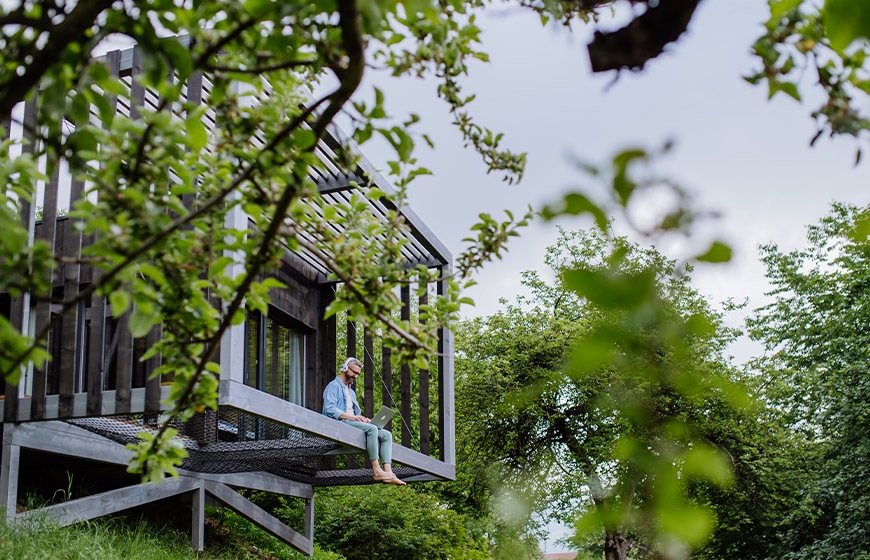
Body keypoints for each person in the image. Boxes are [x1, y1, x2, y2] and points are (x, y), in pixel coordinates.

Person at [322, 357, 406, 486]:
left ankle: (389, 473)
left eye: (357, 374)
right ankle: (377, 471)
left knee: (386, 434)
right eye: (354, 372)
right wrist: (354, 418)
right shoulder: (333, 386)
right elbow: (329, 409)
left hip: (351, 423)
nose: (355, 376)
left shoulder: (351, 392)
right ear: (345, 368)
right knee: (372, 429)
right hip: (338, 425)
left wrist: (363, 419)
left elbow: (354, 414)